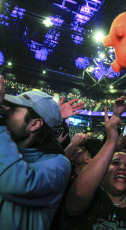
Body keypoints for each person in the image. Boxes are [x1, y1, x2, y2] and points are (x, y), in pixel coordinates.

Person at [60, 96, 126, 230]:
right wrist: (112, 139)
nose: (122, 167)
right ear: (102, 170)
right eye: (115, 163)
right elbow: (79, 193)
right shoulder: (90, 198)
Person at [0, 74, 71, 229]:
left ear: (35, 124)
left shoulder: (58, 165)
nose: (6, 112)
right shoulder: (5, 148)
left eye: (14, 109)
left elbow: (16, 183)